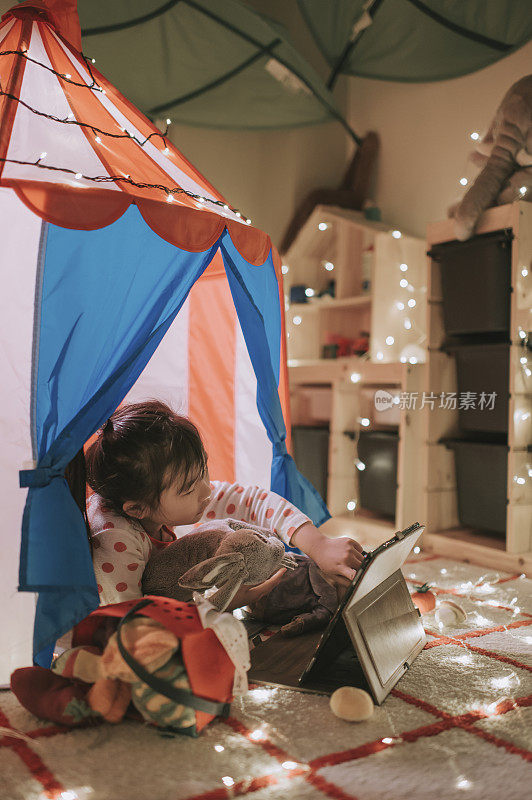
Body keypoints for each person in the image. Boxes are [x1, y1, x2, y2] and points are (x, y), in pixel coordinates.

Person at [81, 400, 364, 607]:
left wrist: (319, 545)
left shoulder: (159, 493)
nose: (207, 490)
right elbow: (127, 627)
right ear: (136, 509)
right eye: (190, 488)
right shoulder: (113, 538)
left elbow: (252, 501)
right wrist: (220, 604)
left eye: (204, 469)